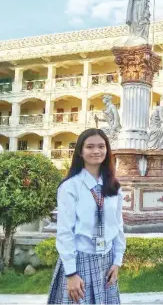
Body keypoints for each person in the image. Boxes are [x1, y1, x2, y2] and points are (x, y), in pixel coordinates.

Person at [47, 128, 126, 304]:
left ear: (107, 150)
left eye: (101, 146)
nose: (96, 151)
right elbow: (65, 231)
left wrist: (117, 261)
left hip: (106, 262)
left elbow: (118, 225)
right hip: (79, 262)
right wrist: (71, 273)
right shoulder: (70, 187)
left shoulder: (113, 186)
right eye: (90, 147)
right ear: (80, 152)